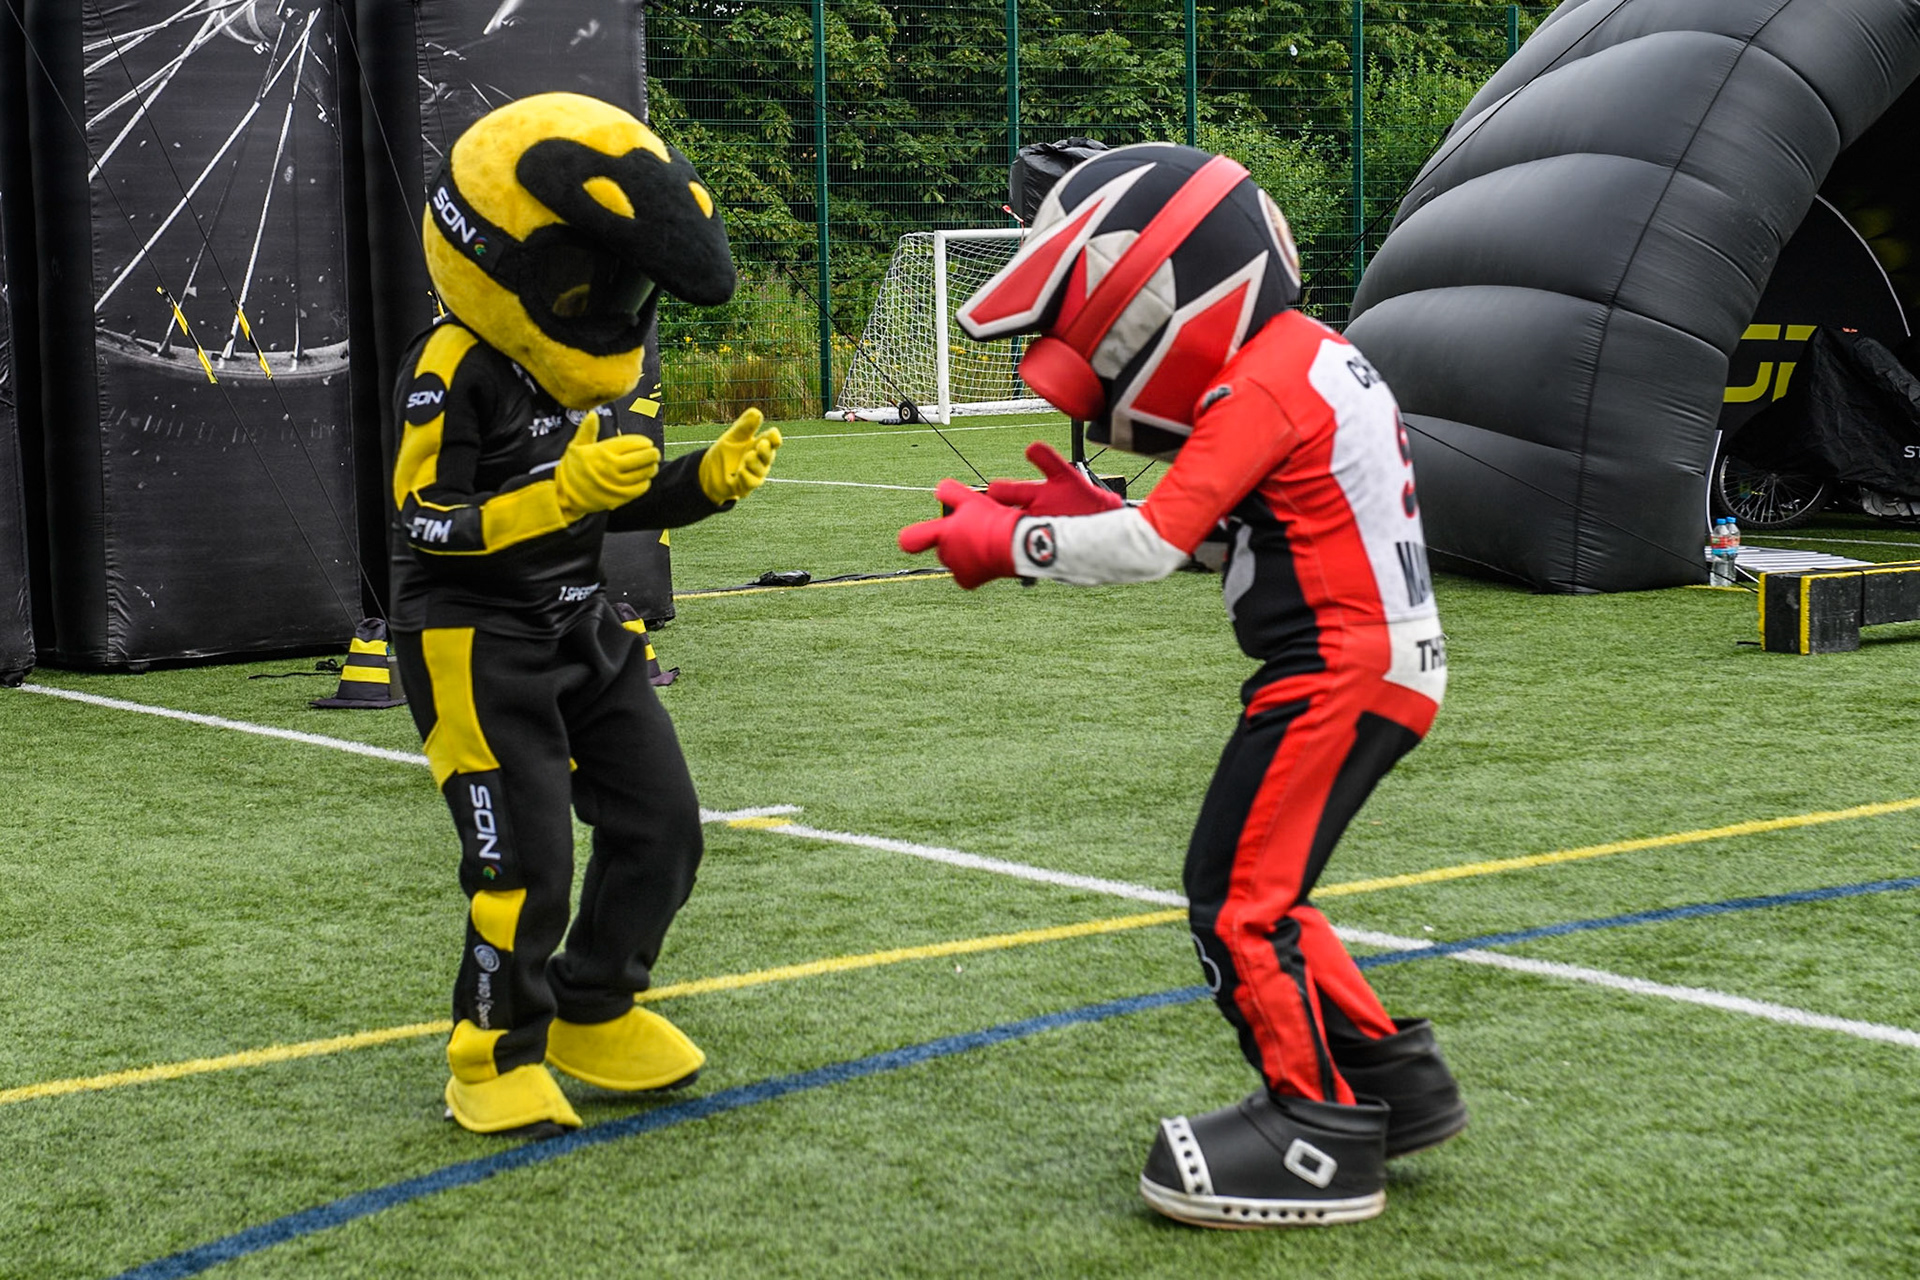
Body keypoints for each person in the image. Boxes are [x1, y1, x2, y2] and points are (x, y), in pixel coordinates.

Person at [899, 143, 1464, 1226]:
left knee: (1235, 902)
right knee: (1270, 887)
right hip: (1373, 659)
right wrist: (1071, 510)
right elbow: (1250, 537)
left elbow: (1157, 542)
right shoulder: (1308, 355)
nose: (1091, 369)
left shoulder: (1263, 380)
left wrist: (1018, 546)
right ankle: (1394, 1080)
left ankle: (1315, 1135)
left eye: (1103, 328)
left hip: (1337, 667)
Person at [387, 92, 781, 1137]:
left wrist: (705, 480)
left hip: (583, 624)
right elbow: (427, 521)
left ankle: (593, 1006)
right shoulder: (453, 364)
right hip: (474, 641)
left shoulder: (608, 361)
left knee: (664, 829)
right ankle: (491, 1053)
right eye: (590, 279)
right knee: (524, 865)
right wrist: (559, 494)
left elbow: (624, 490)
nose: (611, 305)